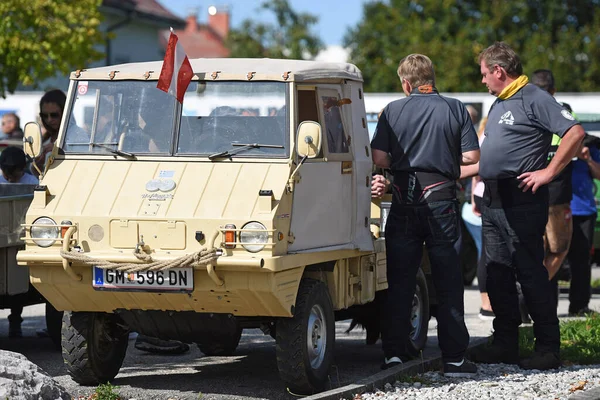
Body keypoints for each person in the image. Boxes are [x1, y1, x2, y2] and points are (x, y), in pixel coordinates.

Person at [470, 42, 584, 370]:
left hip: (521, 200)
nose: (482, 81)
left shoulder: (535, 97)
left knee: (531, 273)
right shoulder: (501, 102)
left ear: (499, 71)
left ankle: (548, 347)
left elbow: (574, 133)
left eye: (484, 75)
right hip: (493, 199)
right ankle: (505, 342)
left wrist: (548, 172)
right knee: (497, 273)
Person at [371, 53, 480, 377]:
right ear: (431, 77)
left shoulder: (393, 110)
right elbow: (472, 155)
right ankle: (455, 360)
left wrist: (402, 166)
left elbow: (378, 155)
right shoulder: (454, 108)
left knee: (400, 282)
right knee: (448, 282)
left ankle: (394, 354)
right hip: (442, 201)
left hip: (405, 200)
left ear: (406, 83)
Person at [530, 69, 574, 311]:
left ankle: (528, 292)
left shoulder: (523, 108)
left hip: (528, 191)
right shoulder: (561, 108)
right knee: (559, 249)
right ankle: (530, 292)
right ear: (553, 90)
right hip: (556, 195)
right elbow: (575, 141)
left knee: (535, 251)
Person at [0, 146, 39, 338]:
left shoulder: (31, 183)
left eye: (12, 174)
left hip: (20, 237)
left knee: (19, 286)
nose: (8, 178)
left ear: (22, 169)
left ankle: (16, 320)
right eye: (5, 173)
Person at [460, 117, 495, 320]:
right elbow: (478, 167)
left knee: (487, 252)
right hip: (489, 194)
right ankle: (487, 304)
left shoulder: (484, 133)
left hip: (482, 194)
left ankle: (488, 303)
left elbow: (475, 171)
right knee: (488, 252)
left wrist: (473, 196)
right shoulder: (489, 134)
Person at [566, 132, 600, 316]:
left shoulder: (590, 147)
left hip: (583, 212)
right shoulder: (551, 145)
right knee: (550, 259)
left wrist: (587, 159)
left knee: (581, 261)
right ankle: (542, 307)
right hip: (556, 210)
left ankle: (579, 306)